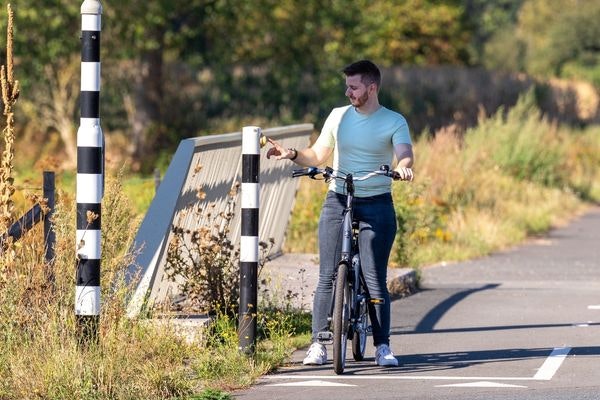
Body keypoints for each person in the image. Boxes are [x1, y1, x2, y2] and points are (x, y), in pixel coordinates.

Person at [266, 60, 414, 367]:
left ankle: (383, 346)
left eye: (354, 87)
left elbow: (404, 153)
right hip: (338, 198)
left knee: (375, 279)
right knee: (327, 277)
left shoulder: (394, 121)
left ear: (372, 88)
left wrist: (403, 168)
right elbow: (318, 154)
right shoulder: (338, 116)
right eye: (347, 86)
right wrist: (291, 154)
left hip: (377, 203)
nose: (348, 92)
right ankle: (319, 344)